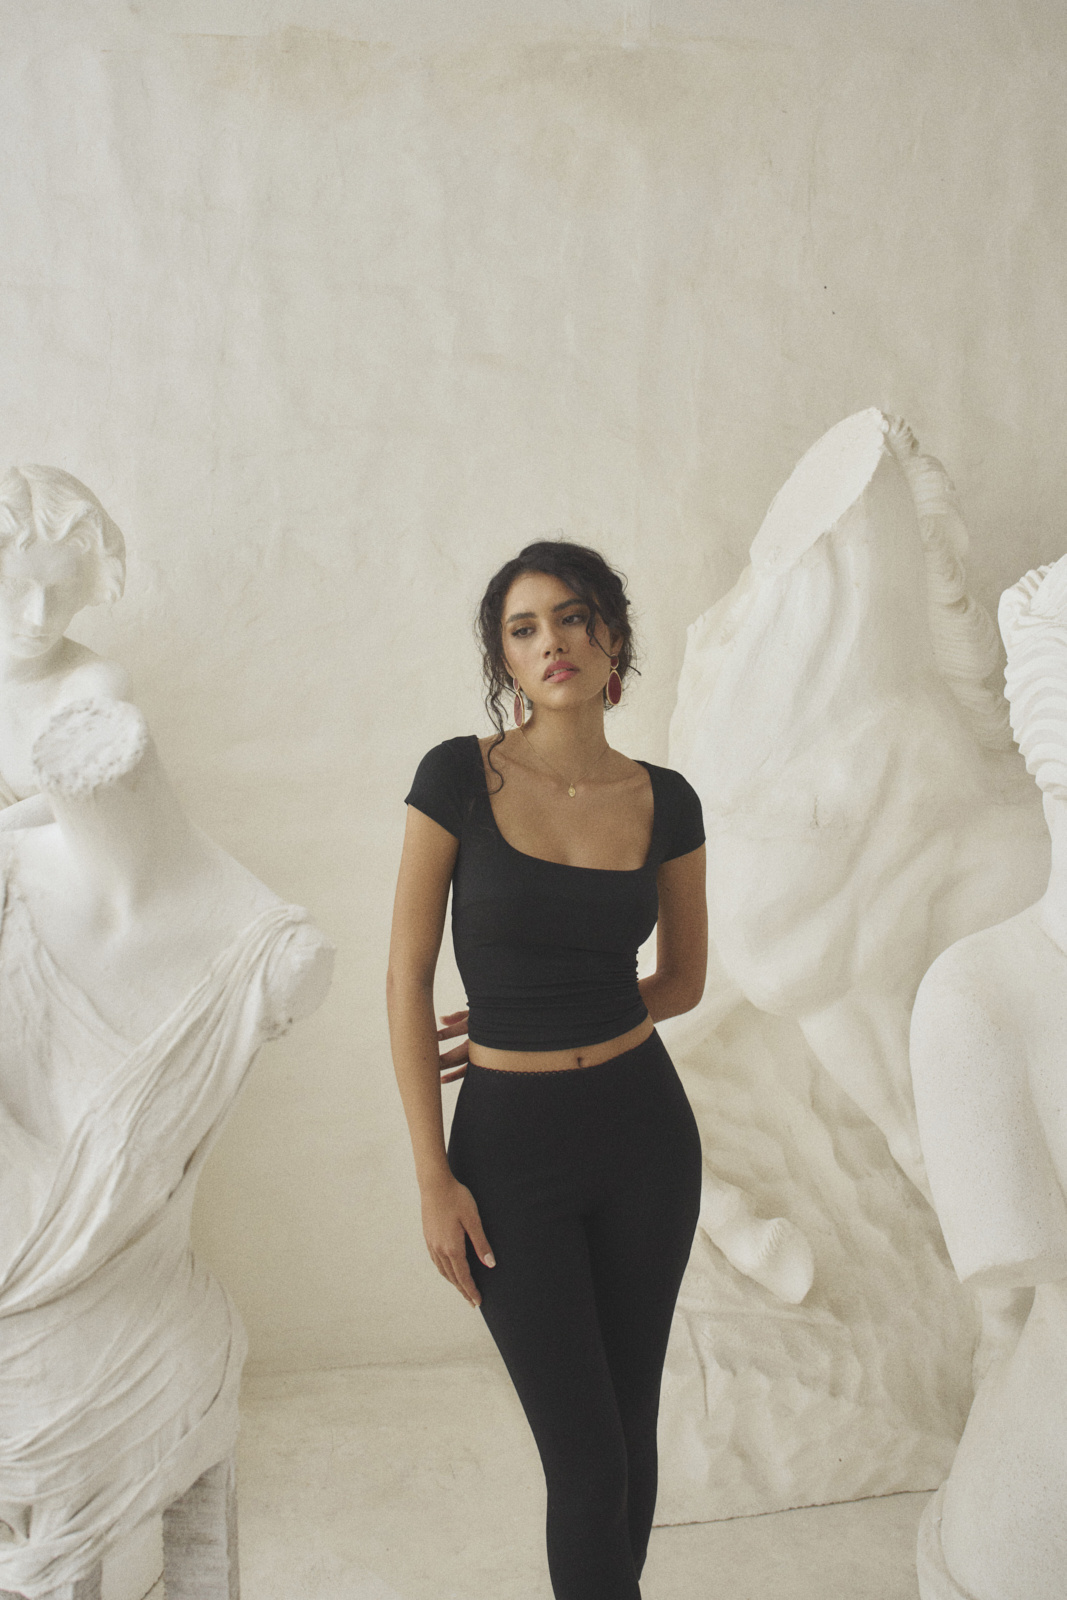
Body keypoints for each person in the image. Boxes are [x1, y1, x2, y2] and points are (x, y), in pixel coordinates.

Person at [387, 541, 707, 1600]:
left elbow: (682, 979)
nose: (551, 641)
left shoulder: (666, 799)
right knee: (584, 1458)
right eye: (523, 629)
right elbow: (404, 976)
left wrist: (569, 1011)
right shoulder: (457, 778)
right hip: (508, 1150)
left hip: (642, 1135)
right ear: (504, 661)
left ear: (612, 636)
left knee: (627, 1430)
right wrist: (432, 1177)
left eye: (571, 617)